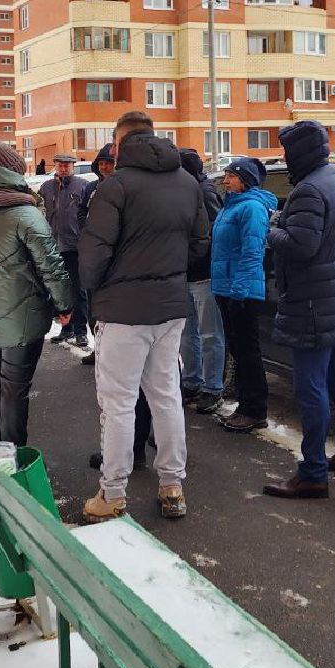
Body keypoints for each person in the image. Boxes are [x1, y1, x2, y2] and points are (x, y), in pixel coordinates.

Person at [78, 111, 209, 522]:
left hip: (122, 311)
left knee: (118, 403)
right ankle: (172, 485)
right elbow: (200, 243)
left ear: (118, 144)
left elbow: (93, 255)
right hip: (169, 307)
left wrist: (97, 287)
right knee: (166, 396)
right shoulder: (187, 182)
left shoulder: (115, 186)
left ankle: (113, 492)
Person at [262, 121, 335, 499]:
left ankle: (312, 472)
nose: (284, 158)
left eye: (287, 151)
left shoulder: (309, 189)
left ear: (300, 152)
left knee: (311, 387)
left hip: (313, 304)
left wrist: (270, 229)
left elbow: (301, 246)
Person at [0, 142, 74, 445]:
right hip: (21, 317)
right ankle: (13, 452)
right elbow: (52, 267)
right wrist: (64, 304)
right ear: (12, 174)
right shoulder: (25, 215)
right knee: (14, 386)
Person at [212, 157, 276, 429]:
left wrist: (238, 292)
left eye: (231, 176)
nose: (225, 181)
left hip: (242, 292)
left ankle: (255, 410)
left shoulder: (252, 208)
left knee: (248, 352)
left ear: (246, 180)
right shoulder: (232, 206)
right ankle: (244, 406)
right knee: (238, 350)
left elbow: (252, 253)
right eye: (226, 175)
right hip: (227, 288)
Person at [177, 149, 225, 410]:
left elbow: (213, 233)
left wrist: (194, 256)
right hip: (185, 273)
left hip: (204, 274)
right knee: (188, 333)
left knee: (209, 334)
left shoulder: (204, 192)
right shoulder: (184, 191)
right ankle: (192, 381)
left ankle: (213, 387)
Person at [40, 153, 91, 348]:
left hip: (75, 246)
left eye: (67, 165)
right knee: (60, 291)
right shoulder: (46, 187)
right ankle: (66, 328)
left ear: (73, 166)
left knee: (78, 290)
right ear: (55, 165)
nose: (64, 168)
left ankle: (81, 331)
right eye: (60, 165)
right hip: (54, 246)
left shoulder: (83, 186)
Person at [76, 143, 115, 368]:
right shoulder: (91, 188)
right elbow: (81, 211)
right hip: (92, 253)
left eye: (108, 163)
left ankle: (111, 352)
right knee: (93, 304)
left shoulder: (121, 187)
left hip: (112, 256)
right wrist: (87, 231)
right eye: (100, 163)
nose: (103, 167)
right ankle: (97, 347)